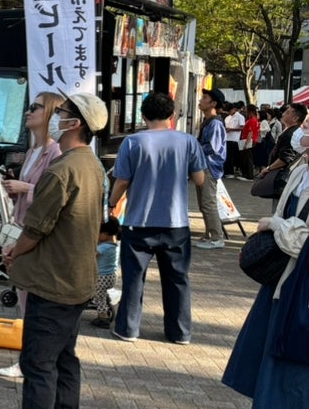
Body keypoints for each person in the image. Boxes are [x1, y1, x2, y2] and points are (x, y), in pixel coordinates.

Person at [0, 92, 107, 409]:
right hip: (77, 279)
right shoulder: (92, 164)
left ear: (74, 123)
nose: (56, 116)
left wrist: (13, 252)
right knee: (64, 359)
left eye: (62, 113)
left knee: (38, 365)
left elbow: (36, 227)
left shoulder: (62, 169)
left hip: (52, 281)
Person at [221, 158, 309, 409]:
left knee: (296, 352)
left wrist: (273, 225)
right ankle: (271, 406)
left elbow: (303, 241)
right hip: (286, 275)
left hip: (302, 284)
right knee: (265, 341)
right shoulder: (302, 168)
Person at [108, 92, 207, 345]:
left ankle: (128, 329)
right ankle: (180, 332)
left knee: (133, 278)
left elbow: (122, 181)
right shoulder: (188, 142)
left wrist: (110, 204)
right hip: (176, 222)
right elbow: (200, 179)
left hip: (138, 221)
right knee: (178, 279)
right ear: (172, 115)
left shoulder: (132, 142)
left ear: (143, 116)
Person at [0, 91, 65, 379]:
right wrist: (14, 189)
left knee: (32, 300)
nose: (28, 111)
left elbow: (55, 196)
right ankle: (30, 359)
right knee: (25, 297)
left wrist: (25, 188)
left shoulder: (55, 152)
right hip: (21, 227)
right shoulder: (34, 149)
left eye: (35, 107)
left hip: (35, 234)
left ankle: (30, 361)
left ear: (49, 113)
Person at [256, 103, 308, 206]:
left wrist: (269, 168)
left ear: (295, 118)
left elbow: (285, 158)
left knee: (281, 207)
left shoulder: (292, 134)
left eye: (287, 113)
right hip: (286, 176)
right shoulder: (291, 131)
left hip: (284, 176)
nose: (283, 114)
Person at [194, 88, 227, 250]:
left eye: (204, 98)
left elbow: (213, 148)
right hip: (203, 166)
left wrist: (194, 148)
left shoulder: (214, 123)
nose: (201, 100)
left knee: (208, 203)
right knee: (204, 203)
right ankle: (209, 234)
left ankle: (216, 237)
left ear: (213, 103)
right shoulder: (208, 121)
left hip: (209, 166)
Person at [90, 217, 122, 329]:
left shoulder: (103, 247)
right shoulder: (115, 246)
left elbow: (91, 255)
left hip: (101, 277)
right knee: (101, 294)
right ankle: (105, 303)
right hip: (111, 277)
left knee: (99, 297)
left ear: (105, 233)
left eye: (98, 233)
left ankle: (102, 316)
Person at [239, 105, 260, 180]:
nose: (245, 111)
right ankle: (246, 174)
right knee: (246, 158)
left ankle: (249, 175)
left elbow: (250, 132)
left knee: (248, 158)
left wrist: (247, 143)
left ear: (250, 111)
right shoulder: (253, 119)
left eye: (246, 109)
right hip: (249, 140)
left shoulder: (252, 120)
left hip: (249, 140)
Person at [224, 102, 244, 178]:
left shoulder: (240, 117)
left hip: (234, 139)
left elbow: (242, 127)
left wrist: (231, 129)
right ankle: (227, 171)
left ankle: (231, 172)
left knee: (231, 157)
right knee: (227, 156)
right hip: (227, 138)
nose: (229, 112)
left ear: (234, 109)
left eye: (230, 110)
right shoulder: (227, 118)